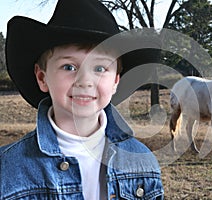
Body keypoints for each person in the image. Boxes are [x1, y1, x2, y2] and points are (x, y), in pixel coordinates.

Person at [0, 0, 164, 199]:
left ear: (115, 82)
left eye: (100, 68)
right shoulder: (7, 170)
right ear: (42, 78)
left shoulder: (143, 163)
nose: (85, 81)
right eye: (69, 67)